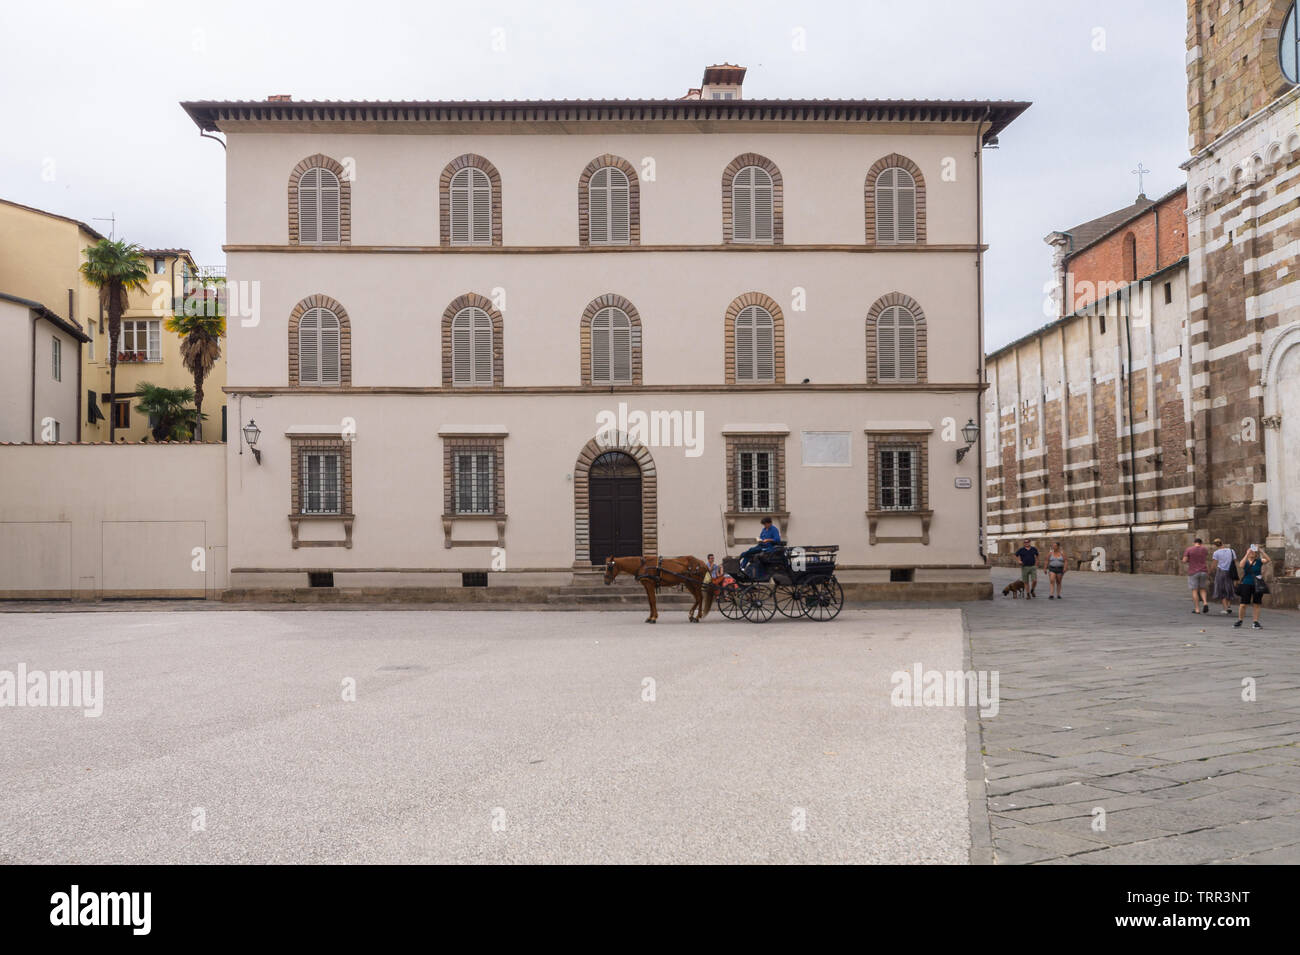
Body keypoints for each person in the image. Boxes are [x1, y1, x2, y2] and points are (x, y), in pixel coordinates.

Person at [1233, 544, 1272, 629]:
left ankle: (1255, 622)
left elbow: (1268, 560)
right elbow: (1241, 565)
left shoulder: (1259, 561)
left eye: (1253, 552)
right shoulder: (1245, 561)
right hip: (1246, 584)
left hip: (1257, 584)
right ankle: (1240, 620)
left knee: (1257, 603)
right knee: (1243, 604)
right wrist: (1247, 554)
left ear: (1256, 553)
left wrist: (1261, 550)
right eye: (1251, 551)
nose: (1252, 553)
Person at [1181, 537, 1211, 614]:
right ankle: (1205, 603)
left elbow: (1184, 560)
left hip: (1193, 571)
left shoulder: (1189, 549)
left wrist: (1189, 560)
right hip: (1203, 571)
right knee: (1202, 589)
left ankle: (1197, 609)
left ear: (1194, 543)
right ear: (1201, 543)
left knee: (1194, 590)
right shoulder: (1204, 549)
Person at [1209, 538, 1237, 614]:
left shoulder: (1216, 553)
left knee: (1221, 589)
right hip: (1230, 571)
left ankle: (1225, 608)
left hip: (1221, 572)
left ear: (1215, 545)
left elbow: (1214, 564)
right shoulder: (1231, 551)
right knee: (1229, 588)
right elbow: (1234, 561)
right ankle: (1229, 606)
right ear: (1222, 543)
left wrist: (1210, 571)